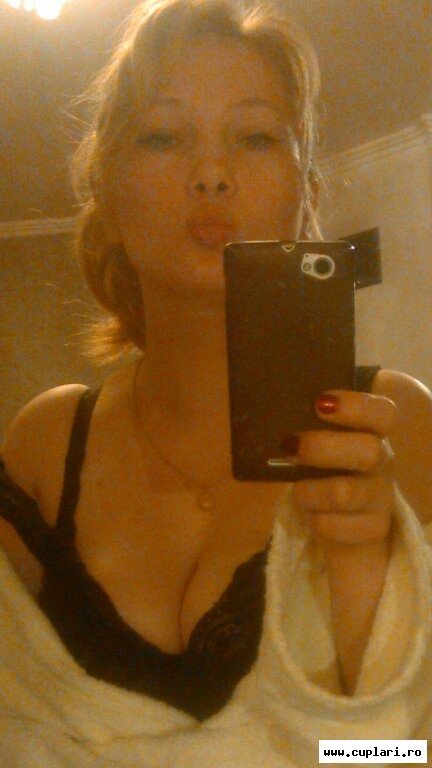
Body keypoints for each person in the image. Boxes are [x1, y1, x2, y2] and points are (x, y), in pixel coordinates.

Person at [0, 0, 431, 764]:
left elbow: (402, 755)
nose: (210, 173)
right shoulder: (46, 444)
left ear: (304, 191)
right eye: (163, 136)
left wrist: (366, 575)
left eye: (256, 136)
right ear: (108, 192)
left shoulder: (395, 425)